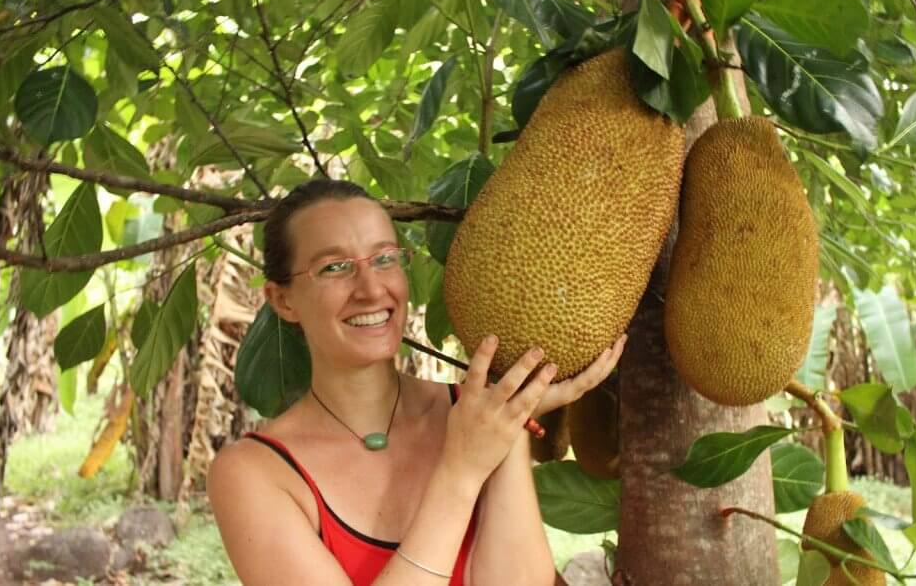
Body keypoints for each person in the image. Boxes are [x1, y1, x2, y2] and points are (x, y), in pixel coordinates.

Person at [208, 179, 626, 586]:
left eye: (385, 258)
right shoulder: (254, 473)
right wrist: (461, 471)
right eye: (335, 268)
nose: (372, 290)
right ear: (283, 300)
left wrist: (509, 423)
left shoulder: (481, 416)